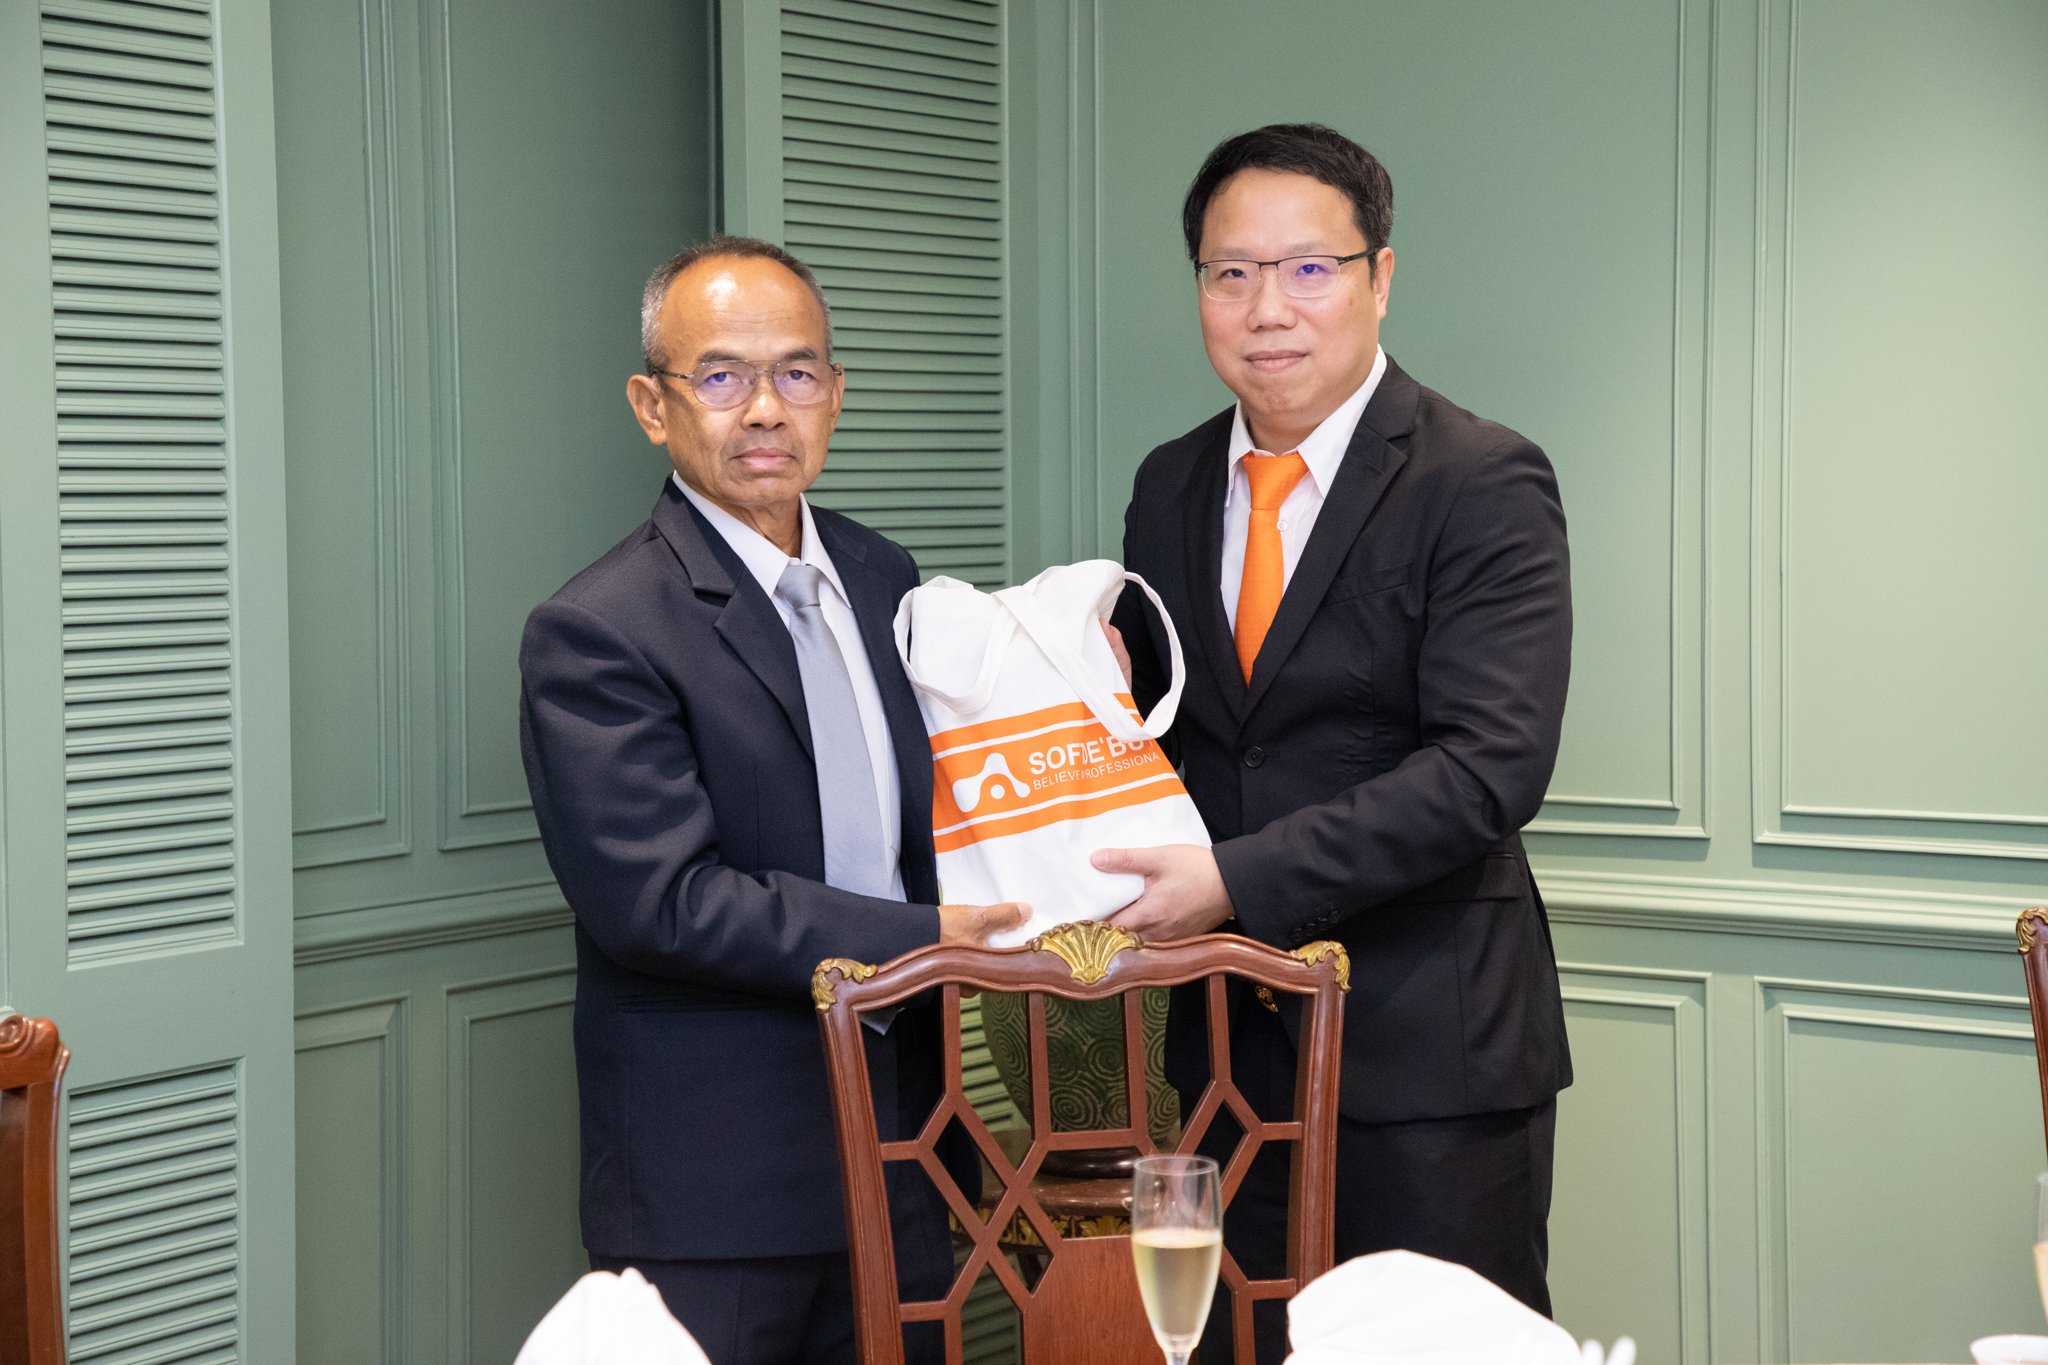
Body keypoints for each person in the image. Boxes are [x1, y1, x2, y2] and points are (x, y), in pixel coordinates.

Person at [1099, 124, 1574, 1361]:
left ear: (1379, 276)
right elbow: (1167, 733)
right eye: (1230, 273)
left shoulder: (1479, 478)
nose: (1266, 308)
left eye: (1308, 268)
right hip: (1223, 1058)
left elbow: (1486, 769)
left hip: (1424, 1064)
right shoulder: (1166, 484)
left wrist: (1232, 880)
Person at [518, 235, 1025, 1365]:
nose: (764, 408)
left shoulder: (885, 576)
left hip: (906, 1150)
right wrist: (927, 938)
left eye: (795, 372)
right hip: (717, 1187)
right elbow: (663, 904)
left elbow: (949, 799)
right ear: (652, 406)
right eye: (721, 376)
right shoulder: (598, 628)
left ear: (835, 395)